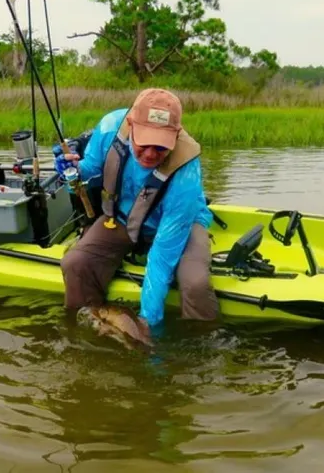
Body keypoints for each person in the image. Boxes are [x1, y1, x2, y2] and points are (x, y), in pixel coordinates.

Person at [54, 88, 219, 338]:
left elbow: (162, 256)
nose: (151, 154)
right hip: (121, 218)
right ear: (131, 125)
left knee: (195, 283)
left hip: (177, 226)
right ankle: (86, 335)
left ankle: (203, 342)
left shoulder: (187, 170)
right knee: (76, 264)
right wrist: (71, 168)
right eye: (144, 142)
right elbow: (88, 170)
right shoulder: (109, 127)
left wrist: (146, 326)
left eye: (161, 146)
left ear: (176, 135)